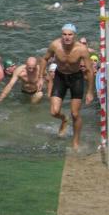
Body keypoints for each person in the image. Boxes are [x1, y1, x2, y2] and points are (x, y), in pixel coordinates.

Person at [38, 22, 94, 150]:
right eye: (64, 34)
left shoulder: (82, 49)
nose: (67, 37)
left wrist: (90, 91)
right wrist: (41, 77)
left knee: (75, 114)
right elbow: (44, 59)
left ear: (74, 35)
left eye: (70, 34)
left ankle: (75, 142)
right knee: (54, 112)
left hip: (76, 78)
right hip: (60, 77)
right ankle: (64, 119)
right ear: (61, 35)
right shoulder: (55, 45)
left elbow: (90, 70)